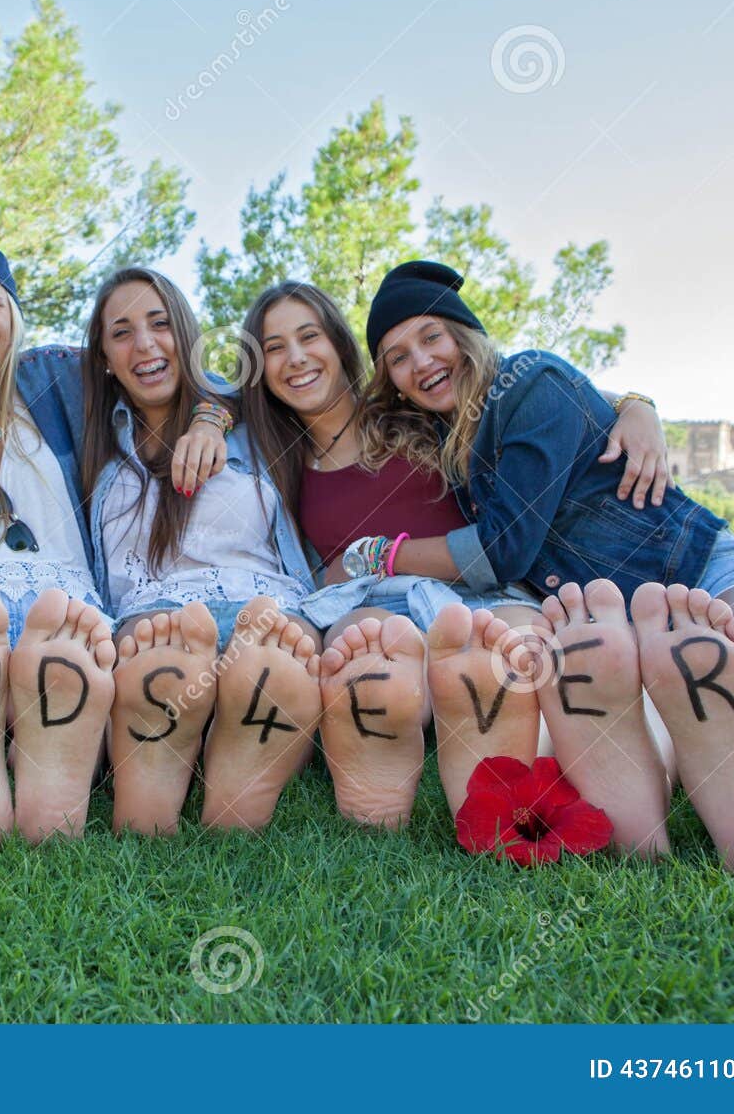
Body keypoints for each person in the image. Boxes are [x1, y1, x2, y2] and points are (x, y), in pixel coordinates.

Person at [356, 260, 734, 872]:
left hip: (710, 573)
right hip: (614, 636)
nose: (419, 362)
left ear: (464, 334)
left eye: (430, 337)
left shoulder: (526, 380)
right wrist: (635, 402)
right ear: (390, 379)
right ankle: (653, 781)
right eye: (396, 357)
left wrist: (379, 554)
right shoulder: (462, 449)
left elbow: (507, 547)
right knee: (666, 707)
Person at [238, 278, 670, 830]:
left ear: (341, 346)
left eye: (309, 336)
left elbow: (529, 400)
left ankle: (536, 776)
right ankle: (389, 752)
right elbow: (200, 397)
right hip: (371, 599)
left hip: (479, 587)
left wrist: (635, 405)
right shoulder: (274, 456)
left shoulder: (413, 409)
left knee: (525, 655)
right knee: (372, 662)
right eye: (274, 348)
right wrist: (208, 418)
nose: (296, 358)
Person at [0, 242, 227, 841]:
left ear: (12, 311)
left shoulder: (60, 377)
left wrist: (211, 418)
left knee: (74, 661)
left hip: (65, 605)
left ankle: (20, 749)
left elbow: (175, 372)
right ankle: (9, 747)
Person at [82, 267, 322, 834]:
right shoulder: (86, 433)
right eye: (121, 332)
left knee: (273, 653)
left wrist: (213, 414)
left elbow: (295, 377)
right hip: (154, 614)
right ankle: (191, 756)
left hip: (262, 605)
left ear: (186, 336)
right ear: (102, 358)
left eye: (160, 323)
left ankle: (228, 753)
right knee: (162, 661)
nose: (144, 344)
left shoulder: (255, 417)